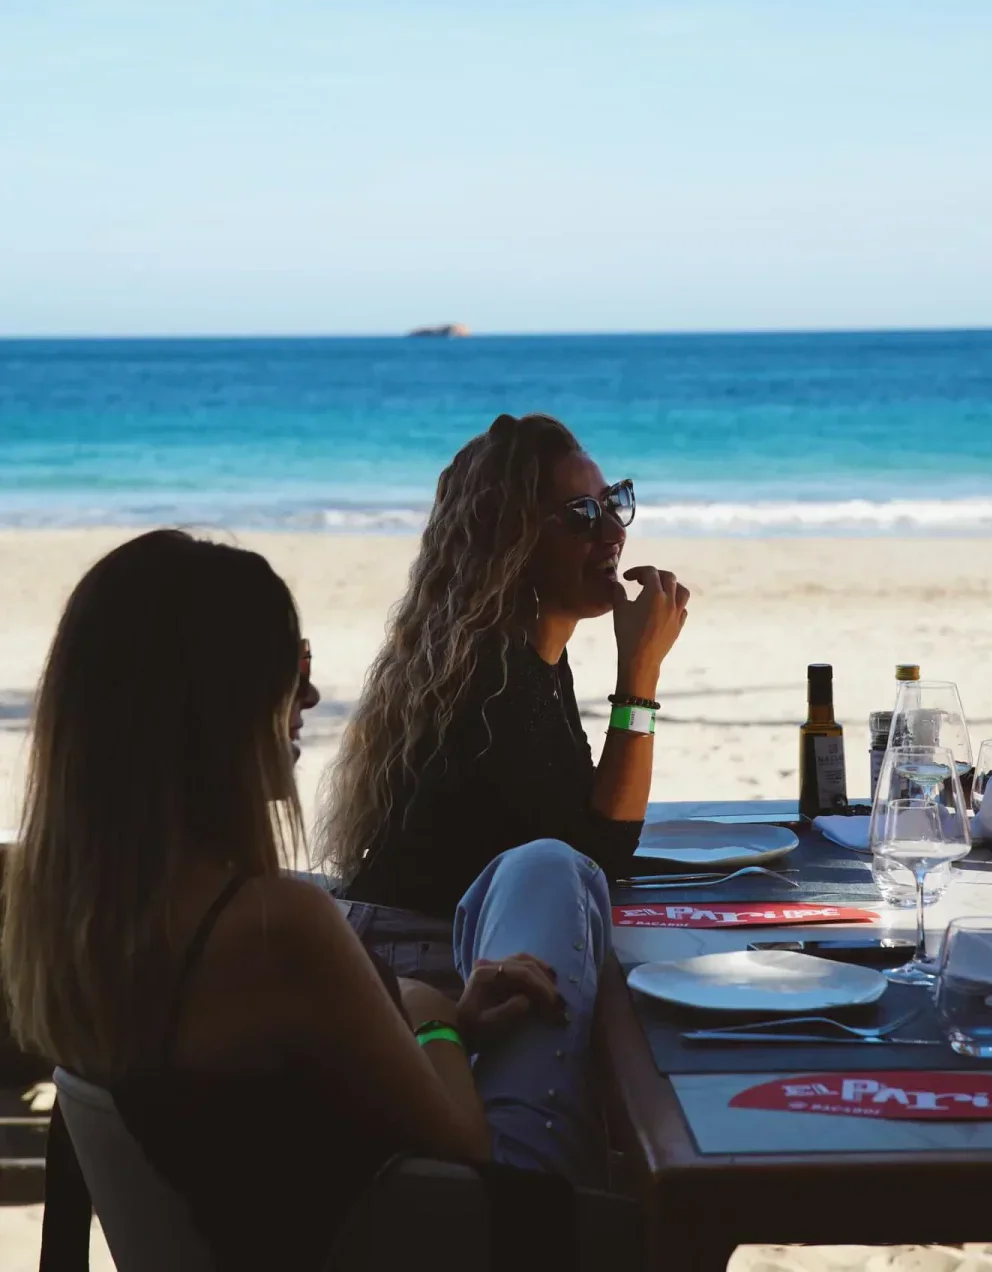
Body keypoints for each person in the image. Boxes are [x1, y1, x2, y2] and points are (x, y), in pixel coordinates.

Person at [1, 530, 612, 1272]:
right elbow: (467, 1148)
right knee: (553, 872)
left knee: (532, 881)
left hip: (321, 1217)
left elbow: (304, 1099)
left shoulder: (79, 917)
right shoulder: (272, 927)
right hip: (479, 1224)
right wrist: (431, 1018)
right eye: (294, 671)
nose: (313, 699)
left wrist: (450, 1019)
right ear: (217, 708)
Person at [317, 413, 689, 975]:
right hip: (417, 973)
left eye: (612, 502)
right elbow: (599, 855)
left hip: (444, 954)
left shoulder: (525, 656)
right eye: (581, 515)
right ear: (512, 546)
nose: (612, 531)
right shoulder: (492, 684)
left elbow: (583, 824)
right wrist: (639, 675)